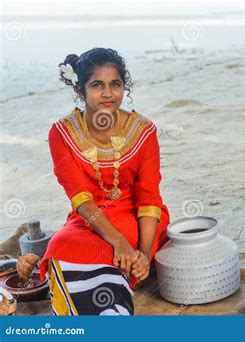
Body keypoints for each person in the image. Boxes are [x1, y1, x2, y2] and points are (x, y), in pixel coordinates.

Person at [39, 48, 170, 315]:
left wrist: (143, 255)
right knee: (59, 245)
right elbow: (81, 199)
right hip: (88, 218)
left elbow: (149, 200)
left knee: (124, 260)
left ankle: (111, 310)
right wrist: (119, 242)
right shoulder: (61, 133)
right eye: (97, 85)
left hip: (136, 217)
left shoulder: (144, 132)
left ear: (125, 87)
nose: (108, 93)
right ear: (81, 90)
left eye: (116, 84)